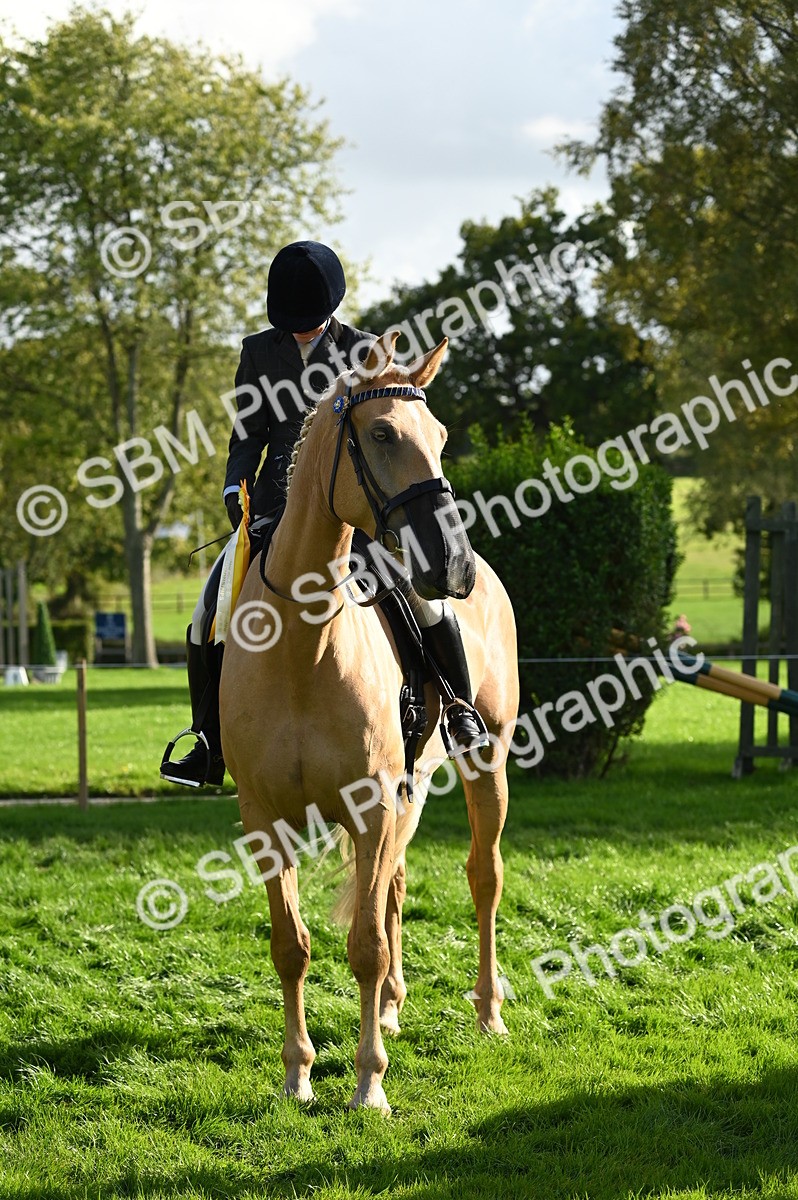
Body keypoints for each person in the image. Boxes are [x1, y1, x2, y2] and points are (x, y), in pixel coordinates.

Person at [160, 240, 487, 788]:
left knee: (421, 601)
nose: (305, 332)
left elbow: (394, 432)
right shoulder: (259, 353)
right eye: (296, 324)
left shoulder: (366, 353)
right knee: (205, 615)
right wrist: (232, 489)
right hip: (271, 514)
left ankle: (457, 708)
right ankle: (208, 739)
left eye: (312, 323)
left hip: (355, 513)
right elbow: (248, 435)